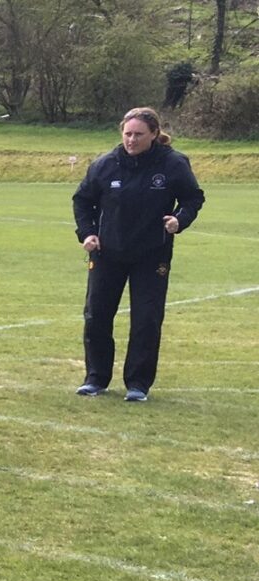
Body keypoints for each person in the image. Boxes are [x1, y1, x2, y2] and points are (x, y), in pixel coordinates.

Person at [72, 107, 205, 402]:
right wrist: (88, 233)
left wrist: (179, 219)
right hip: (108, 253)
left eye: (138, 134)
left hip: (152, 254)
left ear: (154, 134)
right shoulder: (105, 164)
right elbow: (83, 201)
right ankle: (96, 378)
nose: (131, 140)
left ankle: (138, 383)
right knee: (96, 316)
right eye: (127, 133)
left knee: (146, 319)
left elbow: (193, 197)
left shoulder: (172, 163)